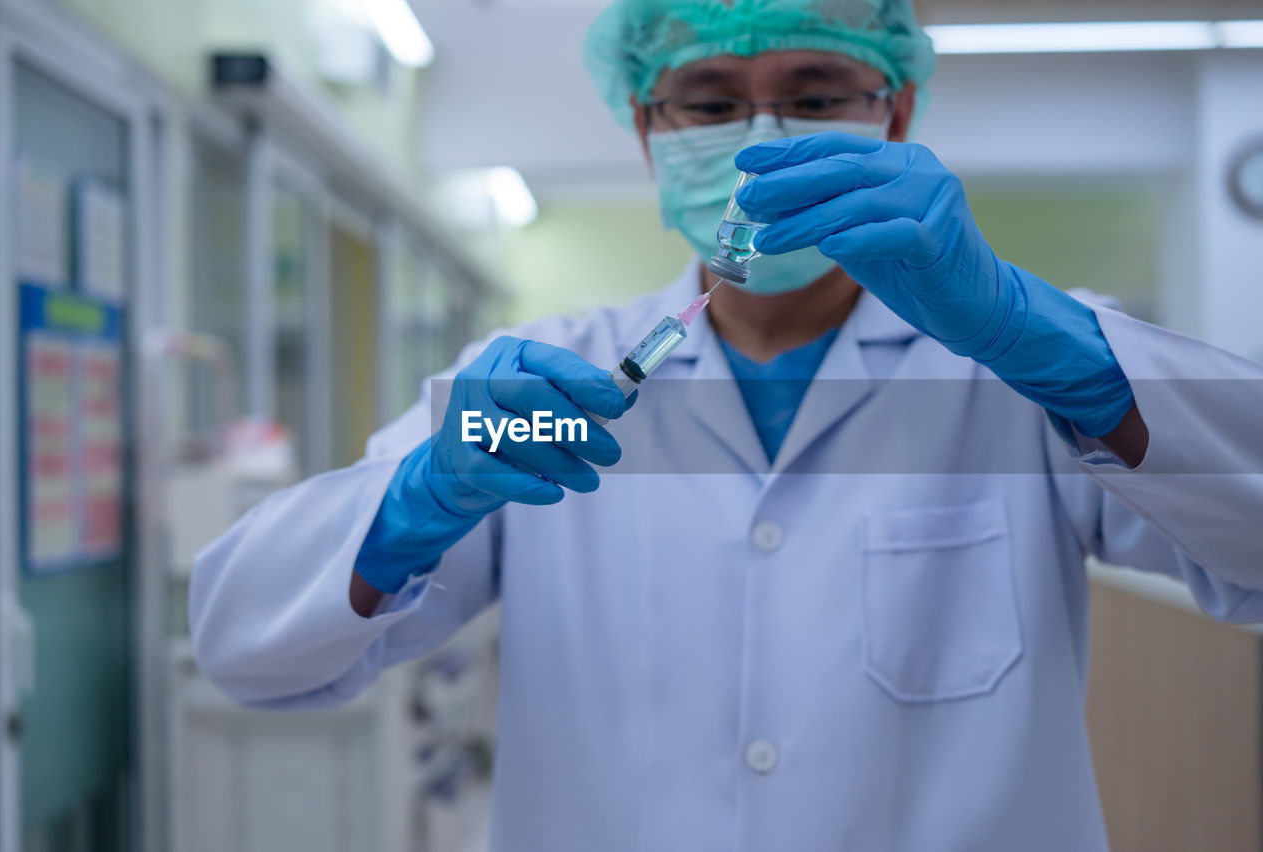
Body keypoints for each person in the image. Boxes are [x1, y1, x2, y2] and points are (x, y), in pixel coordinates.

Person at [190, 1, 1263, 849]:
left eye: (813, 92)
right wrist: (415, 500)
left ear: (891, 115)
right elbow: (244, 651)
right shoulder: (534, 387)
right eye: (706, 103)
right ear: (646, 131)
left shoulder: (1014, 371)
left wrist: (1049, 340)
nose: (759, 135)